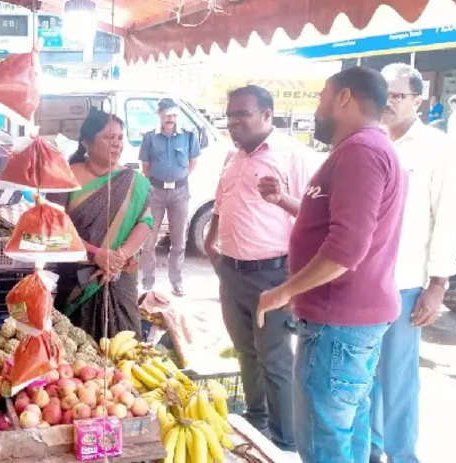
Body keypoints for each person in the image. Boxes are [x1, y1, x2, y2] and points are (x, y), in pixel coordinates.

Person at [256, 67, 407, 463]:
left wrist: (282, 291)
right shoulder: (365, 149)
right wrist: (287, 201)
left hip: (337, 323)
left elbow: (347, 248)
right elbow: (337, 223)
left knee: (324, 444)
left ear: (344, 98)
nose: (319, 107)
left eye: (323, 96)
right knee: (348, 434)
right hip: (347, 322)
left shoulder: (362, 151)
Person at [203, 85, 318, 452]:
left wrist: (281, 198)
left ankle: (285, 442)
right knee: (244, 350)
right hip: (231, 271)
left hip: (272, 274)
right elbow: (222, 202)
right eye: (230, 114)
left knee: (274, 358)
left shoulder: (292, 156)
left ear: (267, 115)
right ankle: (257, 422)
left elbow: (315, 217)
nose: (233, 122)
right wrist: (212, 236)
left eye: (242, 114)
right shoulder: (232, 157)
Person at [371, 64, 456, 463]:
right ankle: (371, 451)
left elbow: (447, 218)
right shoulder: (368, 140)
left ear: (418, 99)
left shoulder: (435, 148)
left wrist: (438, 283)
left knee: (398, 379)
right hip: (361, 283)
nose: (388, 102)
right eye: (384, 94)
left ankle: (402, 454)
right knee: (364, 377)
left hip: (405, 284)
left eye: (397, 96)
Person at [52, 108, 153, 339]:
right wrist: (96, 253)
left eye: (120, 138)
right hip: (77, 276)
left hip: (119, 276)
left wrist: (118, 257)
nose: (117, 144)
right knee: (74, 347)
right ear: (86, 142)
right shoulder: (64, 177)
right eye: (109, 138)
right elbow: (53, 227)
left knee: (125, 348)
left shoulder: (133, 181)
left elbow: (145, 221)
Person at [140, 98, 201, 297]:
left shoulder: (189, 136)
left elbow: (192, 163)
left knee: (179, 241)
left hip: (180, 193)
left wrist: (176, 180)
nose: (171, 119)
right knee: (148, 239)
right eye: (167, 115)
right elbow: (146, 168)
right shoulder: (149, 138)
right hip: (155, 192)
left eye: (174, 115)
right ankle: (147, 282)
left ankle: (177, 282)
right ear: (159, 115)